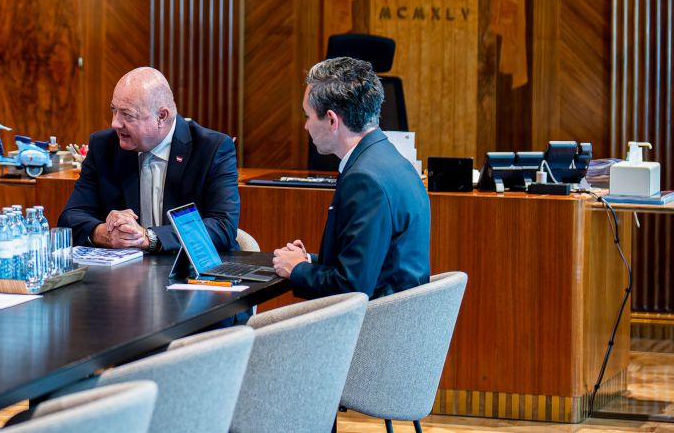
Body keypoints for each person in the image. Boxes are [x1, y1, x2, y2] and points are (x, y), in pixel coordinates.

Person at [272, 57, 430, 299]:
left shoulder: (365, 180)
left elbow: (351, 289)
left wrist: (298, 270)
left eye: (308, 116)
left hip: (374, 329)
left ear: (332, 120)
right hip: (398, 321)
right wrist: (307, 261)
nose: (305, 126)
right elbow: (369, 263)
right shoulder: (393, 161)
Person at [59, 67, 240, 253]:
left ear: (162, 116)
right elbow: (70, 217)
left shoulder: (211, 148)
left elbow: (222, 226)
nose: (115, 123)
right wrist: (104, 233)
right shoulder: (104, 146)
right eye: (114, 110)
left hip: (193, 272)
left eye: (127, 114)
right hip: (125, 276)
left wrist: (148, 237)